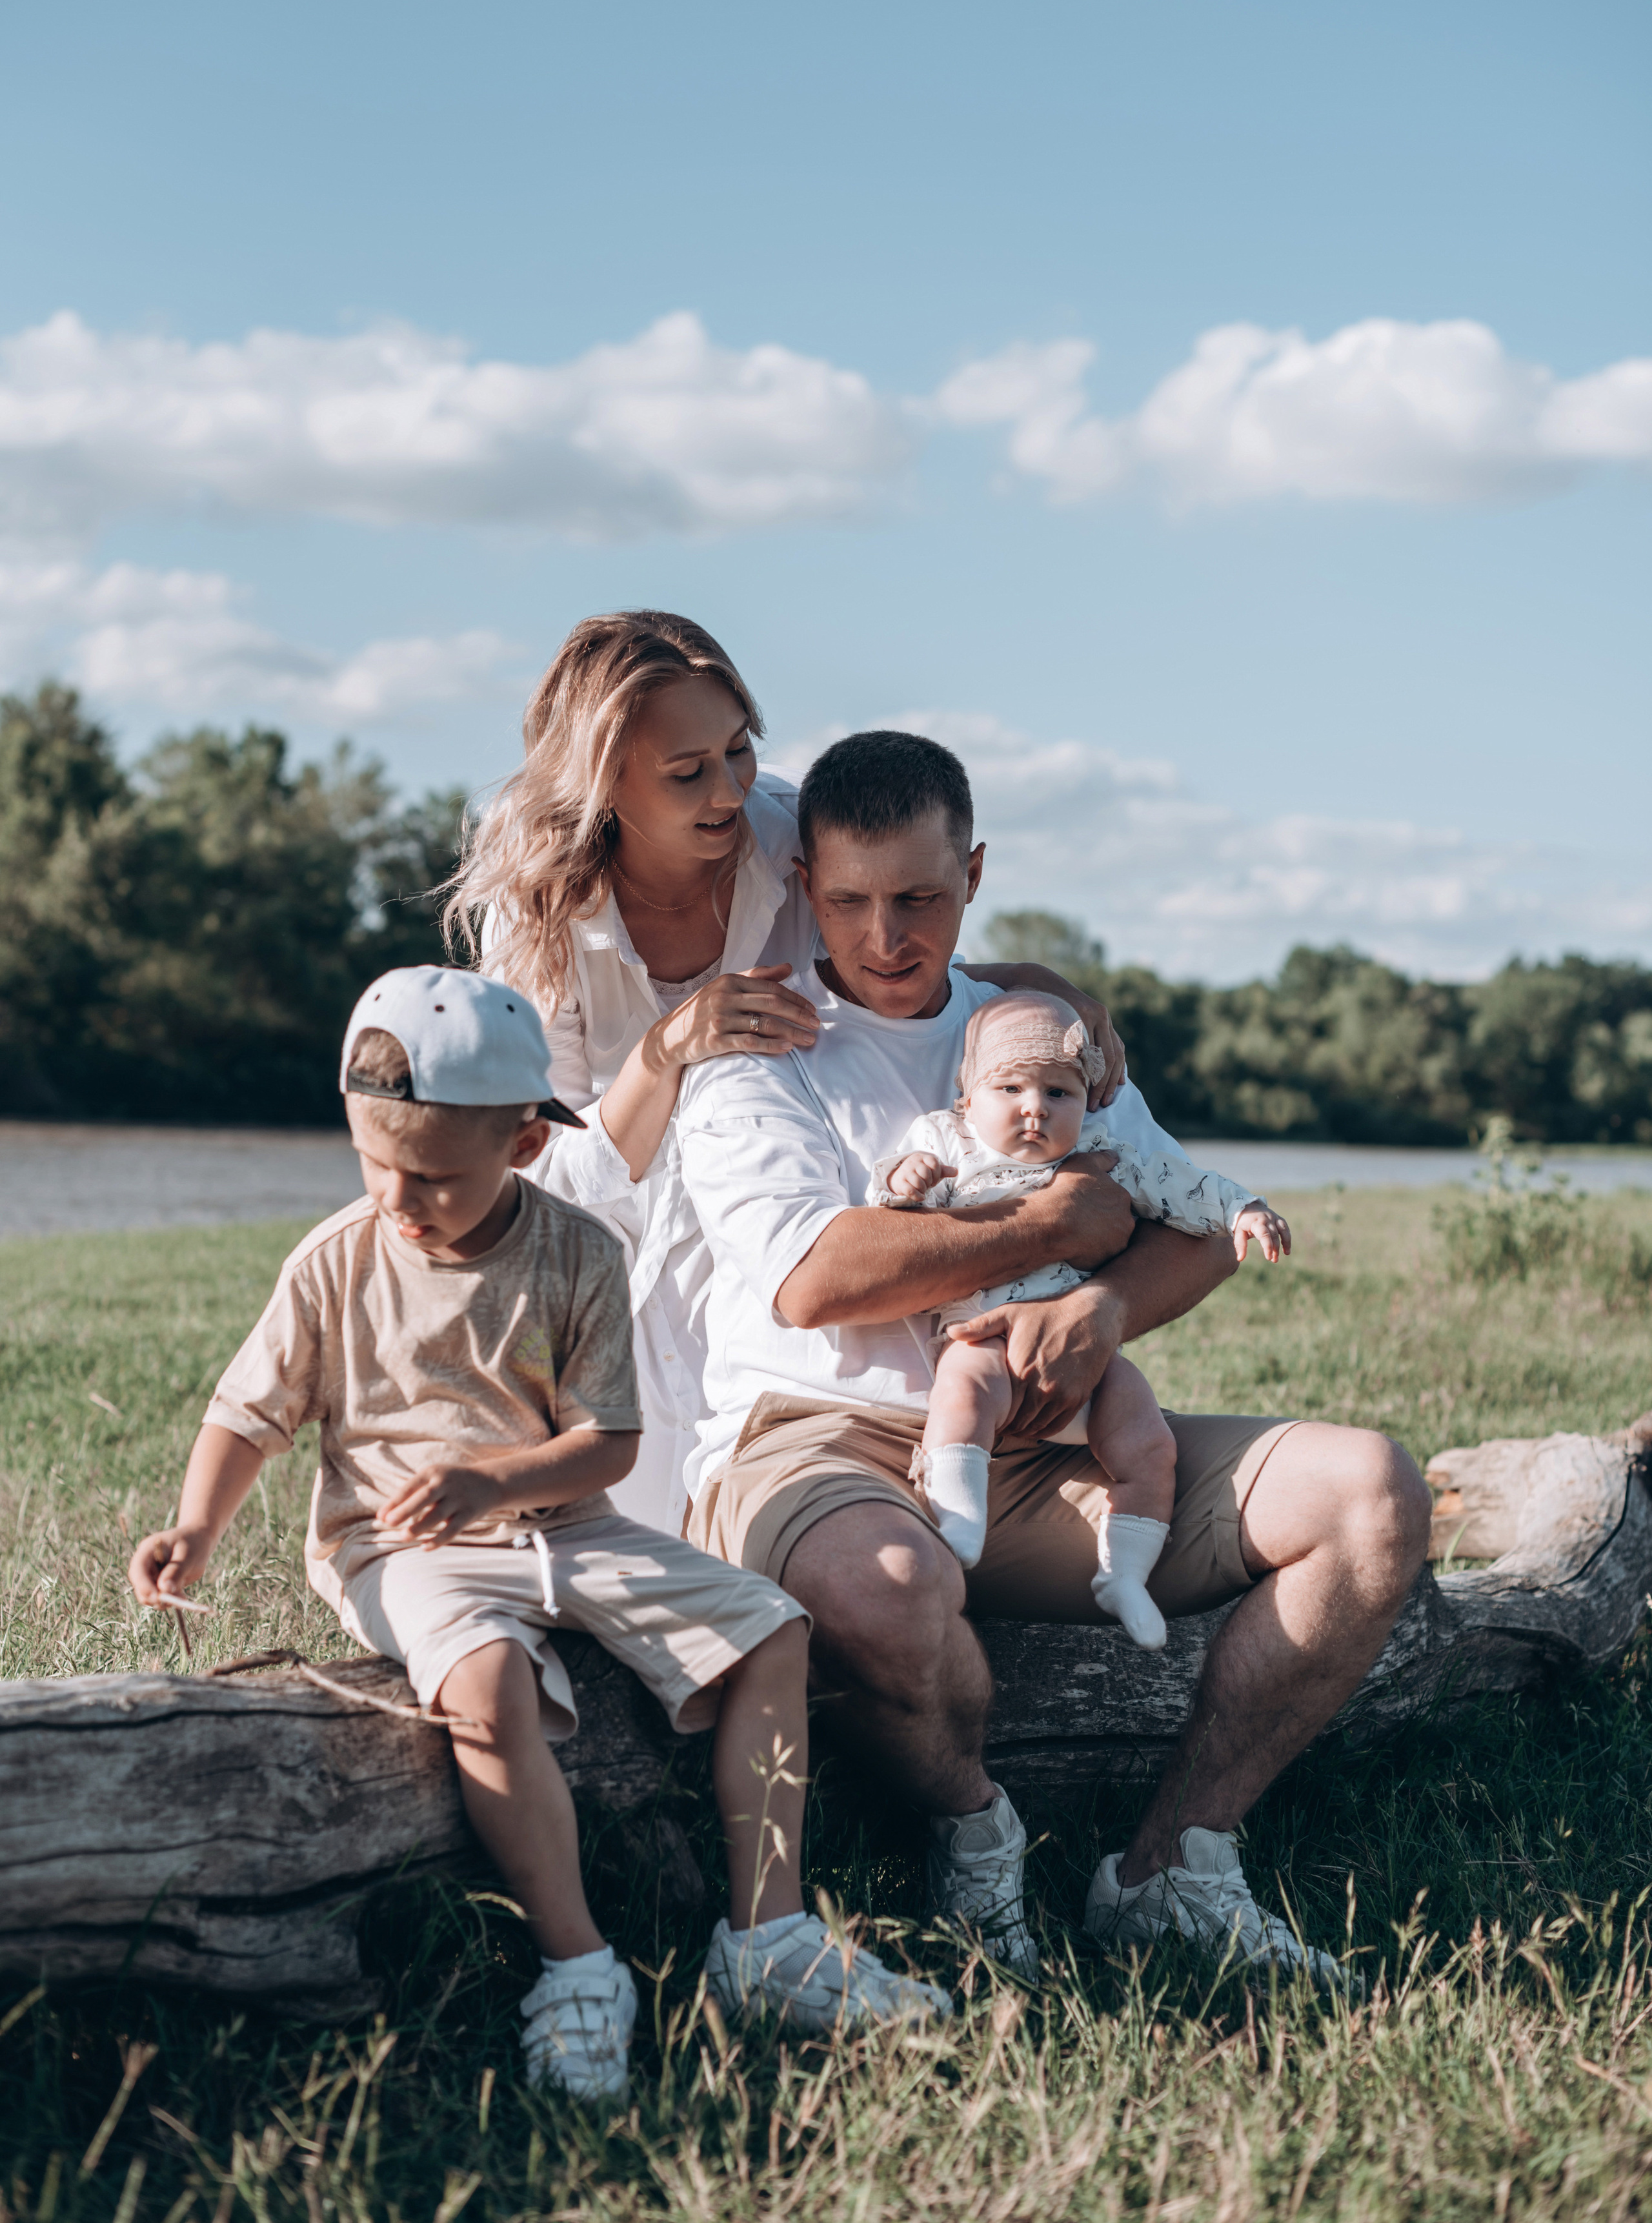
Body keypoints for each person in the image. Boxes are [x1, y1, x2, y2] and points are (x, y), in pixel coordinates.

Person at [674, 729, 1433, 1985]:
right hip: (819, 1439)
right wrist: (1050, 1226)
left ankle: (1168, 1868)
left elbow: (1182, 1221)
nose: (884, 935)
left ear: (972, 875)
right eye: (851, 900)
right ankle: (976, 1830)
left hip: (1051, 1437)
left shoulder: (1040, 1035)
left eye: (917, 897)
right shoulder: (758, 1047)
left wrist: (1106, 1310)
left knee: (1370, 1494)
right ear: (805, 881)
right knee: (884, 1585)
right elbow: (815, 1280)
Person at [128, 965, 949, 2104]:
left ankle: (769, 1933)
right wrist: (194, 1525)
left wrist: (499, 1478)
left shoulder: (578, 1253)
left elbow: (607, 1443)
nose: (396, 1197)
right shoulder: (336, 1258)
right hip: (399, 1542)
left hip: (569, 1518)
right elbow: (246, 1412)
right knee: (484, 1679)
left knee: (771, 1628)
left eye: (429, 1175)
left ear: (522, 1144)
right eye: (374, 1162)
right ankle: (577, 1964)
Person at [445, 609, 1127, 1534]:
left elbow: (892, 968)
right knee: (596, 1531)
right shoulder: (539, 915)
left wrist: (1034, 983)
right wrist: (667, 1051)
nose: (730, 789)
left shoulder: (781, 837)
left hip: (784, 1216)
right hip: (601, 1245)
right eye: (688, 773)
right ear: (603, 786)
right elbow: (535, 1173)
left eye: (738, 749)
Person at [874, 989, 1290, 1647]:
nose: (1033, 1107)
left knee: (1149, 1443)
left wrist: (1243, 1209)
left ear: (1086, 1102)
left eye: (1058, 1093)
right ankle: (956, 1515)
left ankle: (1122, 1573)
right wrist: (904, 1179)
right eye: (1009, 1088)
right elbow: (891, 1217)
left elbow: (1181, 1184)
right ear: (966, 1098)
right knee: (962, 1385)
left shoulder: (1102, 1153)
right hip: (986, 1334)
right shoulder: (946, 1144)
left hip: (1083, 1355)